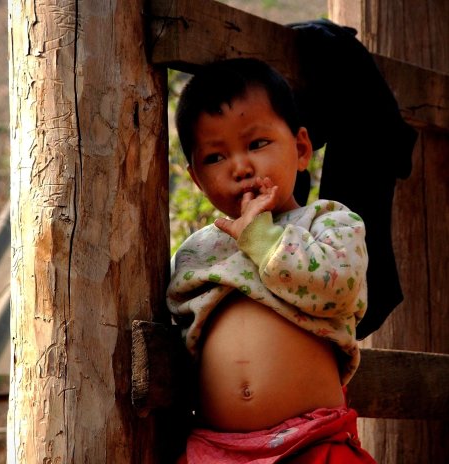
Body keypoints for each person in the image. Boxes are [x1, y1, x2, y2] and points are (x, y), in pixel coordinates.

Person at [166, 58, 376, 463]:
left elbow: (339, 291)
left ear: (300, 150)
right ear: (196, 179)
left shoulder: (328, 223)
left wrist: (261, 239)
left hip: (313, 440)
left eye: (257, 144)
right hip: (216, 449)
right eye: (215, 157)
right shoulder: (197, 250)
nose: (241, 167)